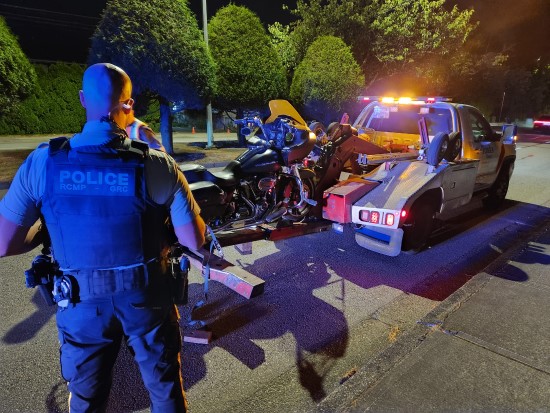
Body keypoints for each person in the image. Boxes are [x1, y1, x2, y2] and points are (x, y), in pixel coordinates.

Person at [0, 62, 205, 413]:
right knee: (165, 392)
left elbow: (5, 244)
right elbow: (195, 241)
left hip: (81, 304)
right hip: (147, 300)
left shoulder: (43, 163)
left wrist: (43, 232)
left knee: (87, 401)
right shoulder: (157, 165)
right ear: (129, 105)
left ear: (82, 99)